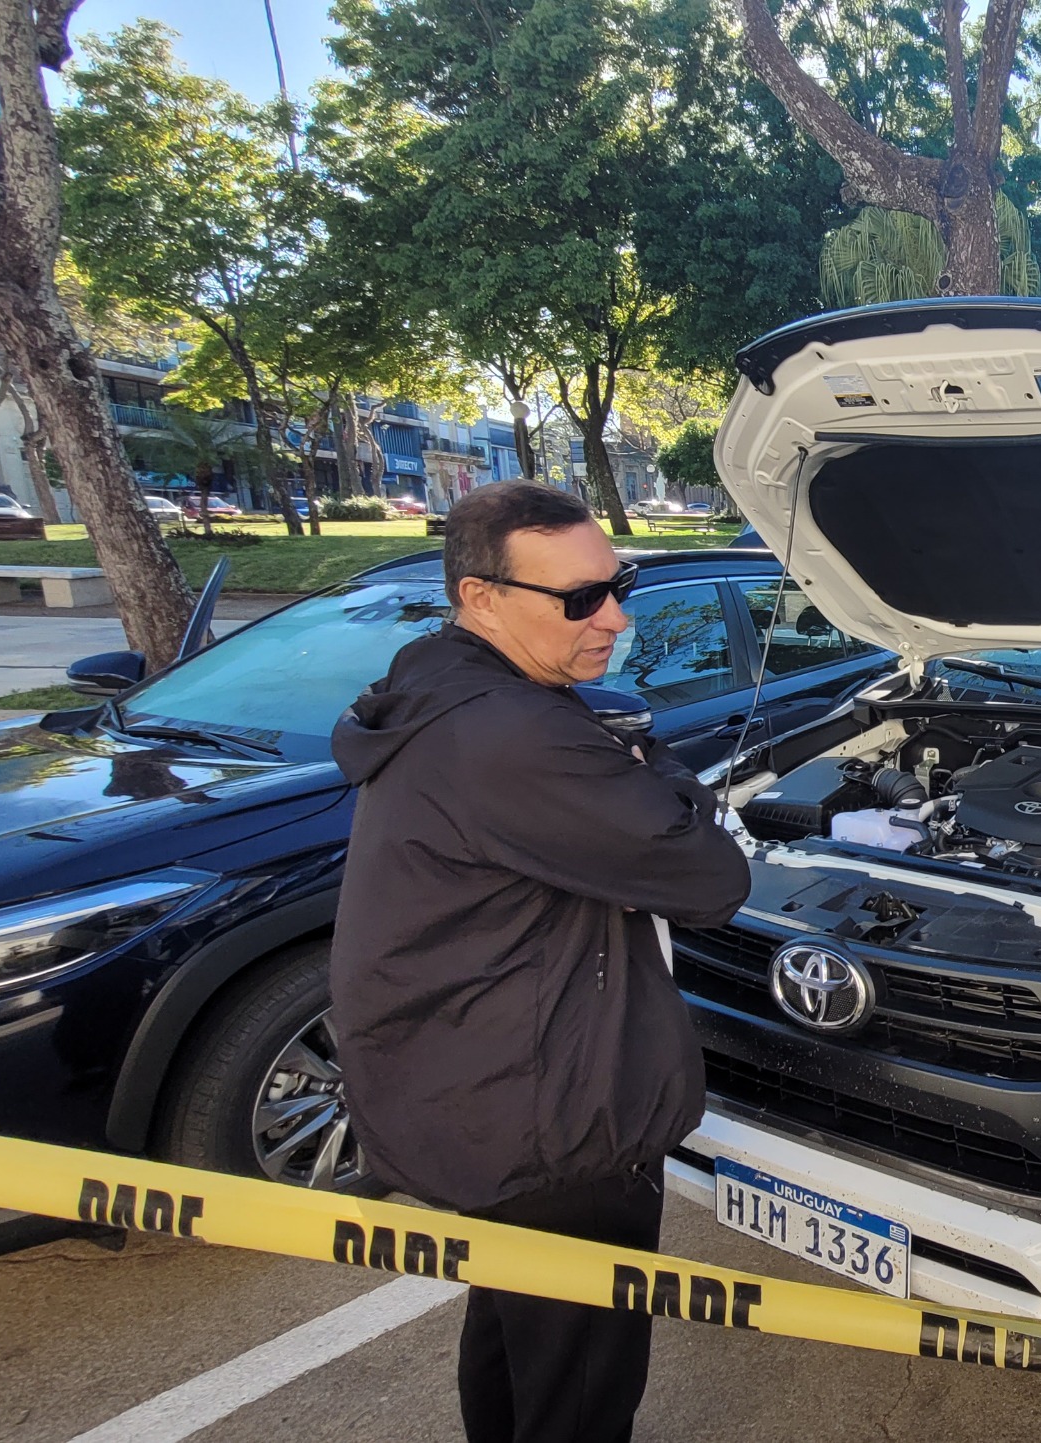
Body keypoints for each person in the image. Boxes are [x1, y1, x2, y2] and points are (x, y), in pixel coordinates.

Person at [330, 481, 750, 1443]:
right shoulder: (520, 735)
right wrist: (657, 771)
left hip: (472, 1085)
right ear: (481, 597)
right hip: (551, 1112)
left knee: (516, 1329)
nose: (615, 618)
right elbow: (709, 877)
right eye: (579, 600)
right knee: (581, 1379)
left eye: (618, 584)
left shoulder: (437, 681)